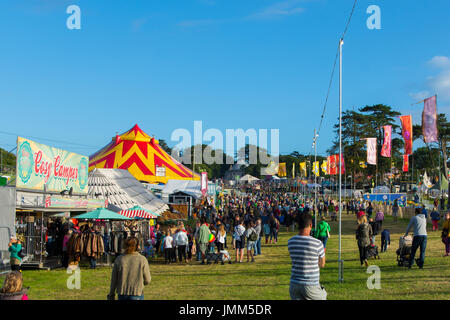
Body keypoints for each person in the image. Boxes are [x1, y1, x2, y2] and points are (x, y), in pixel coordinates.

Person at [287, 213, 326, 300]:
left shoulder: (291, 242)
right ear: (311, 225)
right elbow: (322, 264)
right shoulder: (317, 243)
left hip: (294, 283)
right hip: (311, 284)